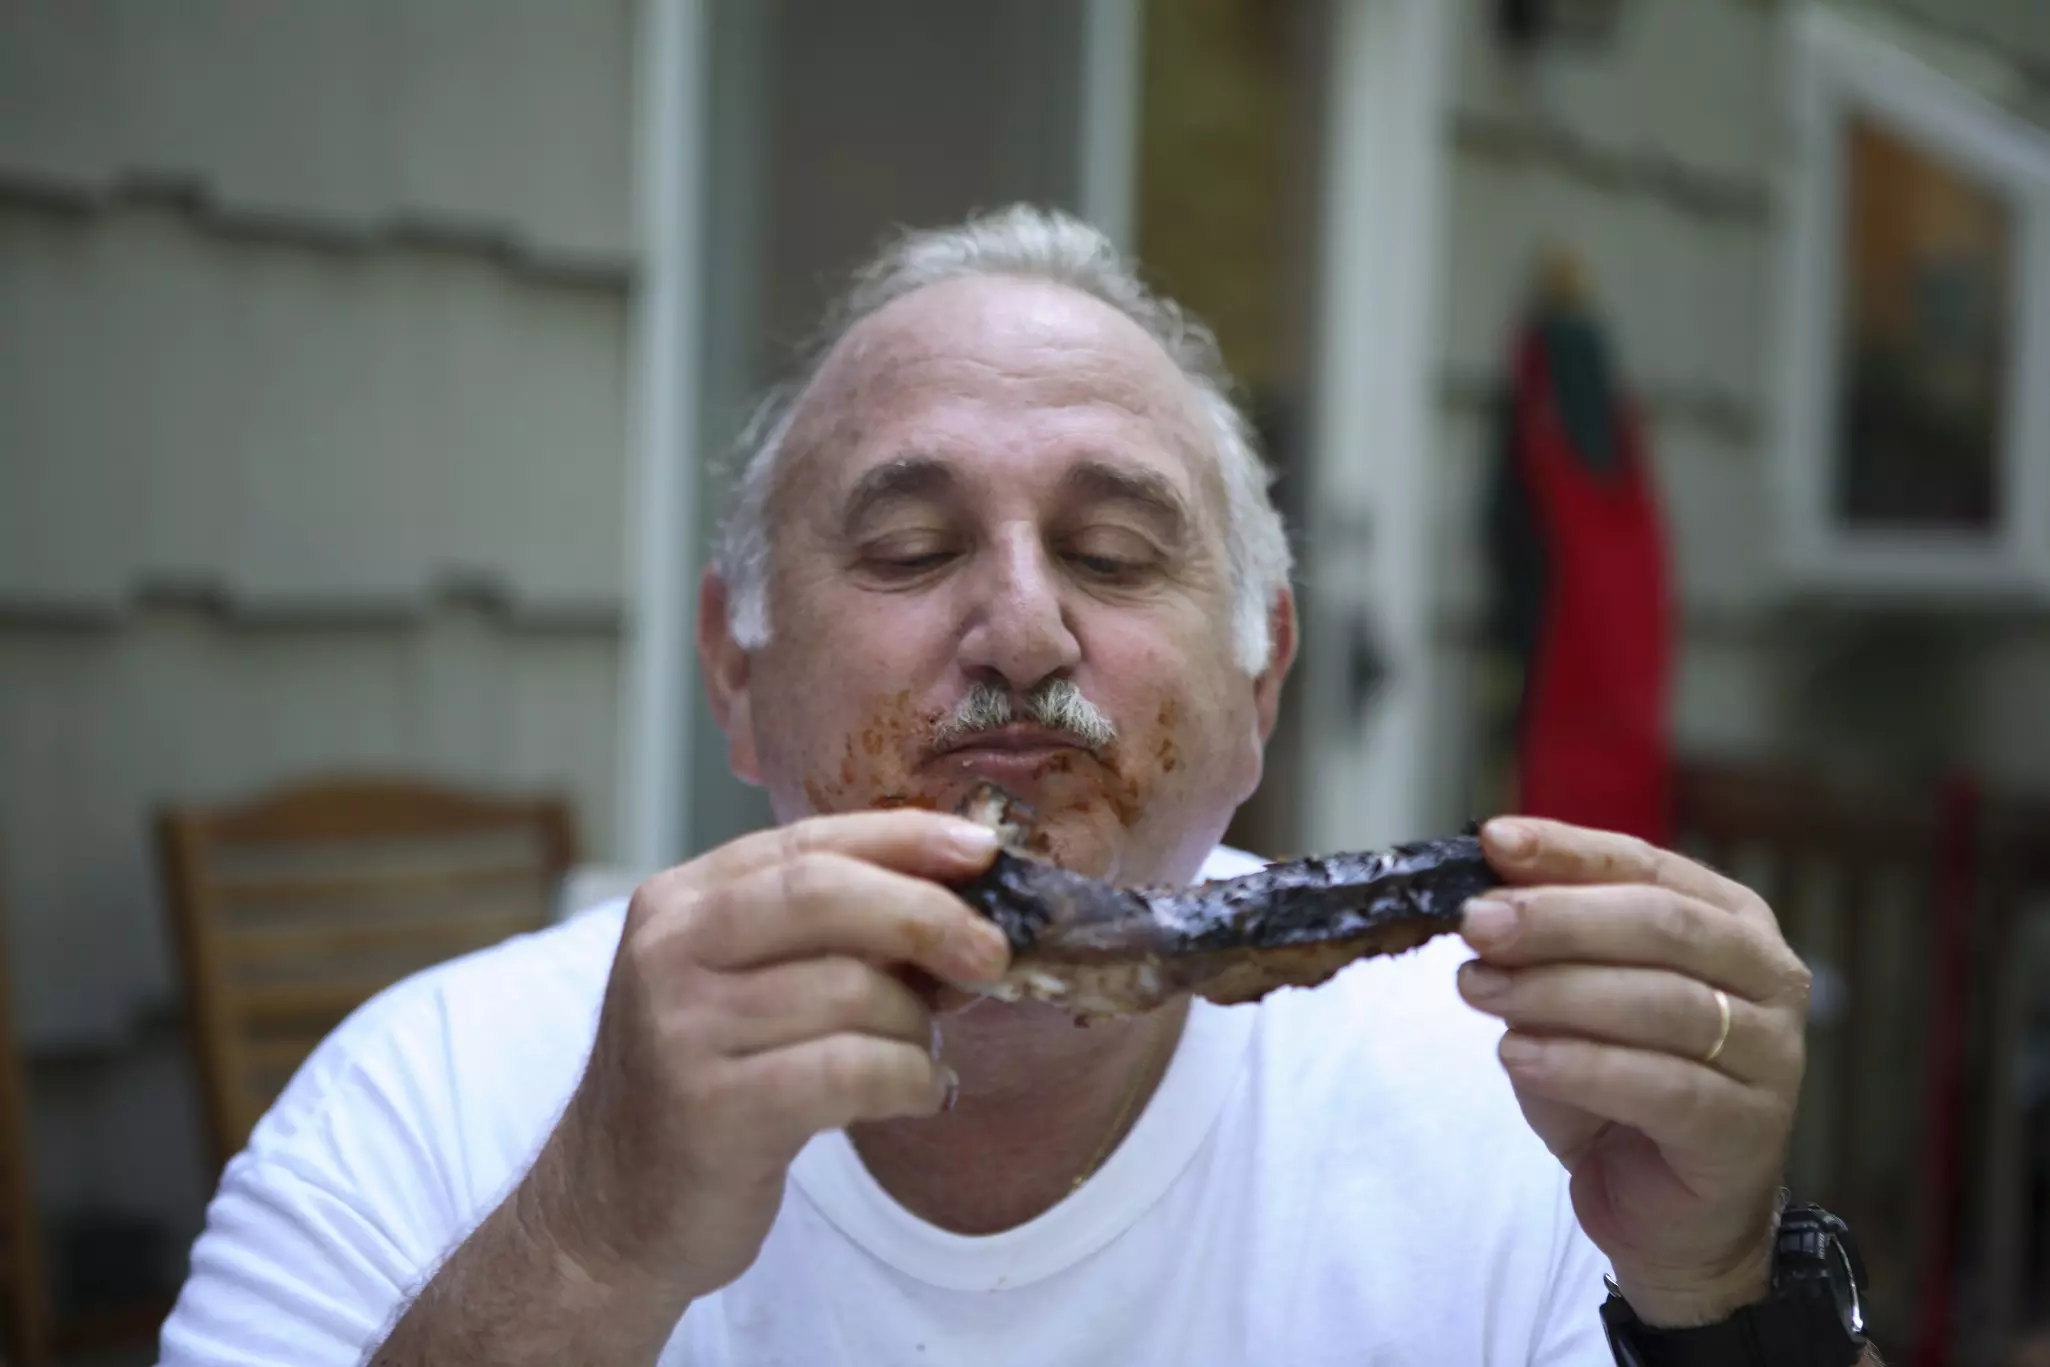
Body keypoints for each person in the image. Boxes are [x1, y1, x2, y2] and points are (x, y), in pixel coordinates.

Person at [158, 207, 1844, 1366]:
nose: (1022, 625)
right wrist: (590, 1242)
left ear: (1259, 682)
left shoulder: (1525, 1121)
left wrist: (1714, 1294)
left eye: (1112, 553)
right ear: (733, 668)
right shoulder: (429, 1105)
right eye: (907, 547)